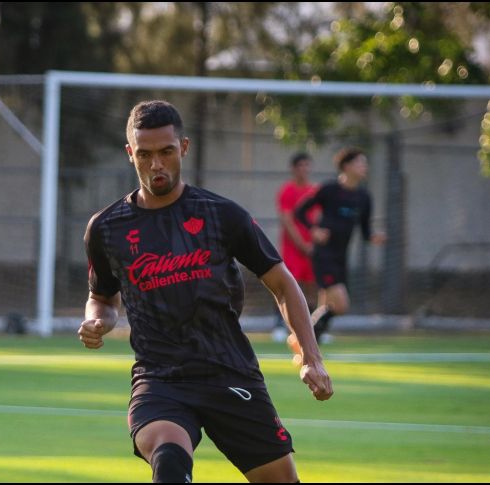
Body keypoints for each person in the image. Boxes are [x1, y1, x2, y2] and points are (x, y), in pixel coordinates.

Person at [78, 100, 333, 483]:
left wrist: (312, 357)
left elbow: (282, 283)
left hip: (228, 370)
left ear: (183, 147)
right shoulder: (107, 228)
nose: (156, 164)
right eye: (144, 155)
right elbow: (102, 296)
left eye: (165, 152)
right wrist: (96, 319)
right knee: (169, 457)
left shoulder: (220, 214)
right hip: (160, 377)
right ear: (130, 154)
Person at [289, 147, 386, 355]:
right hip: (324, 255)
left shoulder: (363, 197)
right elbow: (300, 211)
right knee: (341, 305)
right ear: (346, 166)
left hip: (341, 257)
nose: (364, 166)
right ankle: (302, 342)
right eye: (360, 162)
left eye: (364, 163)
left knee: (327, 305)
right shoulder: (329, 190)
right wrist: (313, 230)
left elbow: (366, 230)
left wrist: (374, 237)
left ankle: (308, 350)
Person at [272, 153, 318, 343]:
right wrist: (302, 244)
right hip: (294, 249)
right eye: (300, 165)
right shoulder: (287, 191)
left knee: (312, 287)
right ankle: (280, 325)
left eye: (307, 165)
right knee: (288, 285)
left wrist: (313, 244)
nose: (304, 169)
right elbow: (287, 220)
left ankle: (313, 327)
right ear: (293, 168)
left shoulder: (314, 191)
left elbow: (317, 219)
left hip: (311, 249)